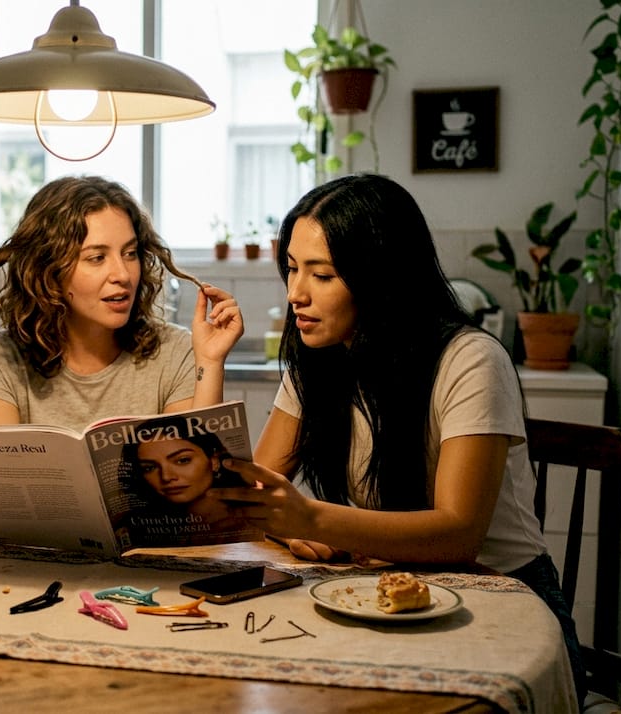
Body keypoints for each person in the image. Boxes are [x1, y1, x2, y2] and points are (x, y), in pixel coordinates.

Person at [219, 173, 586, 702]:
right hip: (379, 592)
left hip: (504, 599)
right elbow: (257, 493)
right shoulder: (317, 360)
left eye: (321, 275)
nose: (295, 294)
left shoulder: (469, 360)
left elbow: (459, 534)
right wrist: (290, 529)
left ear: (380, 277)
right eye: (292, 269)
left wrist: (314, 519)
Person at [0, 175, 244, 431]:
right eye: (97, 258)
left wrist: (211, 363)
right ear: (49, 271)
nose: (122, 274)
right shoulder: (4, 359)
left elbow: (199, 483)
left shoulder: (175, 352)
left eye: (130, 253)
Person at [118, 414, 252, 542]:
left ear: (214, 461)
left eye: (183, 460)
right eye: (149, 468)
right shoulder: (138, 529)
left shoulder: (251, 522)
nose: (166, 477)